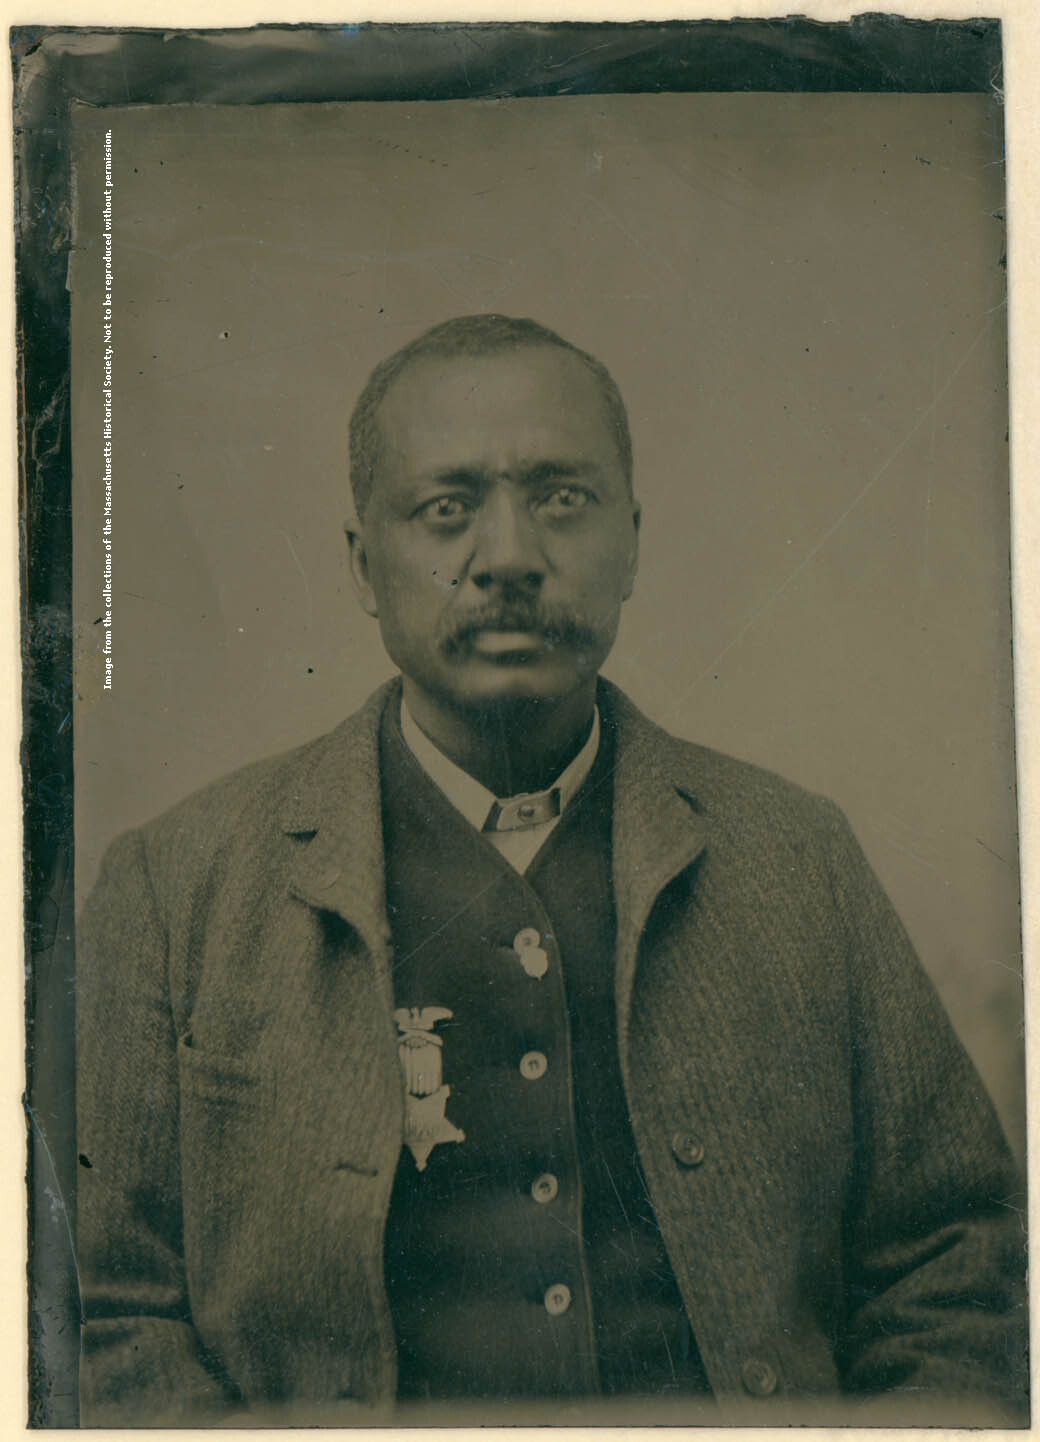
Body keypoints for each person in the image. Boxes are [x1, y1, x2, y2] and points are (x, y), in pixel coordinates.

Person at [76, 314, 1027, 1427]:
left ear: (630, 542)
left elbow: (952, 1263)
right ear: (363, 565)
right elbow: (98, 1308)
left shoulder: (795, 857)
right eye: (446, 508)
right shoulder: (176, 885)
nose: (510, 555)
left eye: (561, 498)